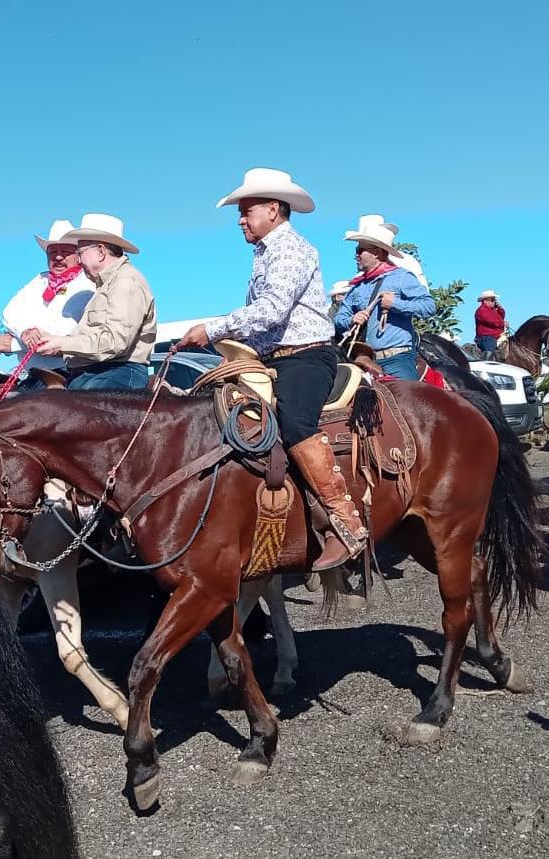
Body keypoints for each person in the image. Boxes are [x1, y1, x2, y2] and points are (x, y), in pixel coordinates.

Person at [173, 168, 367, 569]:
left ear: (274, 210)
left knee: (296, 422)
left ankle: (344, 522)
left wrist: (210, 328)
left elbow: (273, 309)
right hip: (272, 357)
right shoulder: (265, 253)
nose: (241, 220)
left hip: (305, 355)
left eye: (246, 211)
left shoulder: (292, 249)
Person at [35, 213, 157, 390]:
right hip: (102, 373)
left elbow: (115, 342)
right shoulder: (109, 284)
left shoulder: (125, 282)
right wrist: (55, 341)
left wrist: (62, 344)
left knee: (77, 411)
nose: (78, 260)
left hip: (118, 371)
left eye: (80, 253)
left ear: (100, 251)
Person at [0, 219, 95, 386]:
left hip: (68, 374)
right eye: (53, 251)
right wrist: (24, 331)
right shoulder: (40, 280)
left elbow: (66, 334)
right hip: (35, 374)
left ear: (78, 256)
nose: (58, 257)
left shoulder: (87, 284)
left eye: (65, 251)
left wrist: (14, 344)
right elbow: (11, 312)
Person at [333, 214, 435, 380]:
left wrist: (396, 304)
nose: (356, 255)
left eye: (360, 250)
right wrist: (352, 319)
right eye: (356, 251)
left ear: (377, 252)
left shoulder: (401, 277)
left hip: (397, 358)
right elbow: (338, 319)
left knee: (406, 402)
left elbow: (429, 306)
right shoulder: (358, 287)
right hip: (363, 359)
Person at [474, 290, 506, 357]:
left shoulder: (493, 310)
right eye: (492, 299)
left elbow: (501, 317)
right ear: (485, 300)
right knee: (490, 350)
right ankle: (486, 366)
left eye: (494, 300)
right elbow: (491, 321)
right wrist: (503, 323)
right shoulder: (481, 310)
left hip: (497, 335)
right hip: (486, 337)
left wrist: (500, 308)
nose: (494, 301)